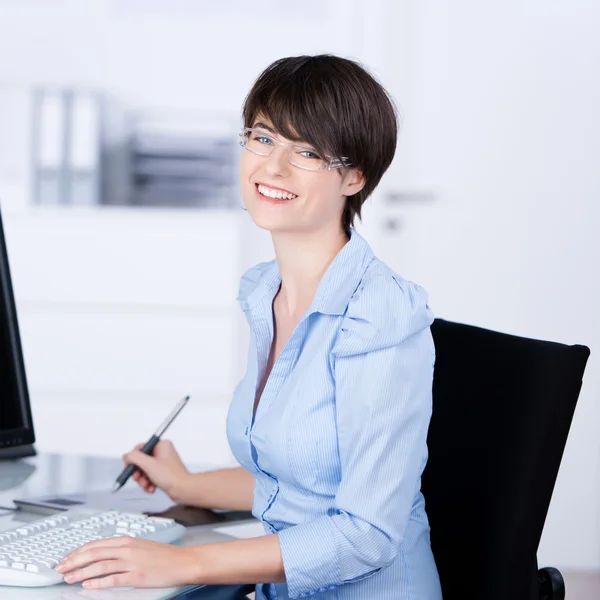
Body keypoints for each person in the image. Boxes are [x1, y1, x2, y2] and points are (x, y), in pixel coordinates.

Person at [56, 54, 443, 600]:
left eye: (307, 152)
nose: (274, 167)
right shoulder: (266, 291)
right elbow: (301, 484)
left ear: (354, 177)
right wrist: (187, 485)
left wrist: (182, 565)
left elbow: (367, 533)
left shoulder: (380, 316)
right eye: (263, 139)